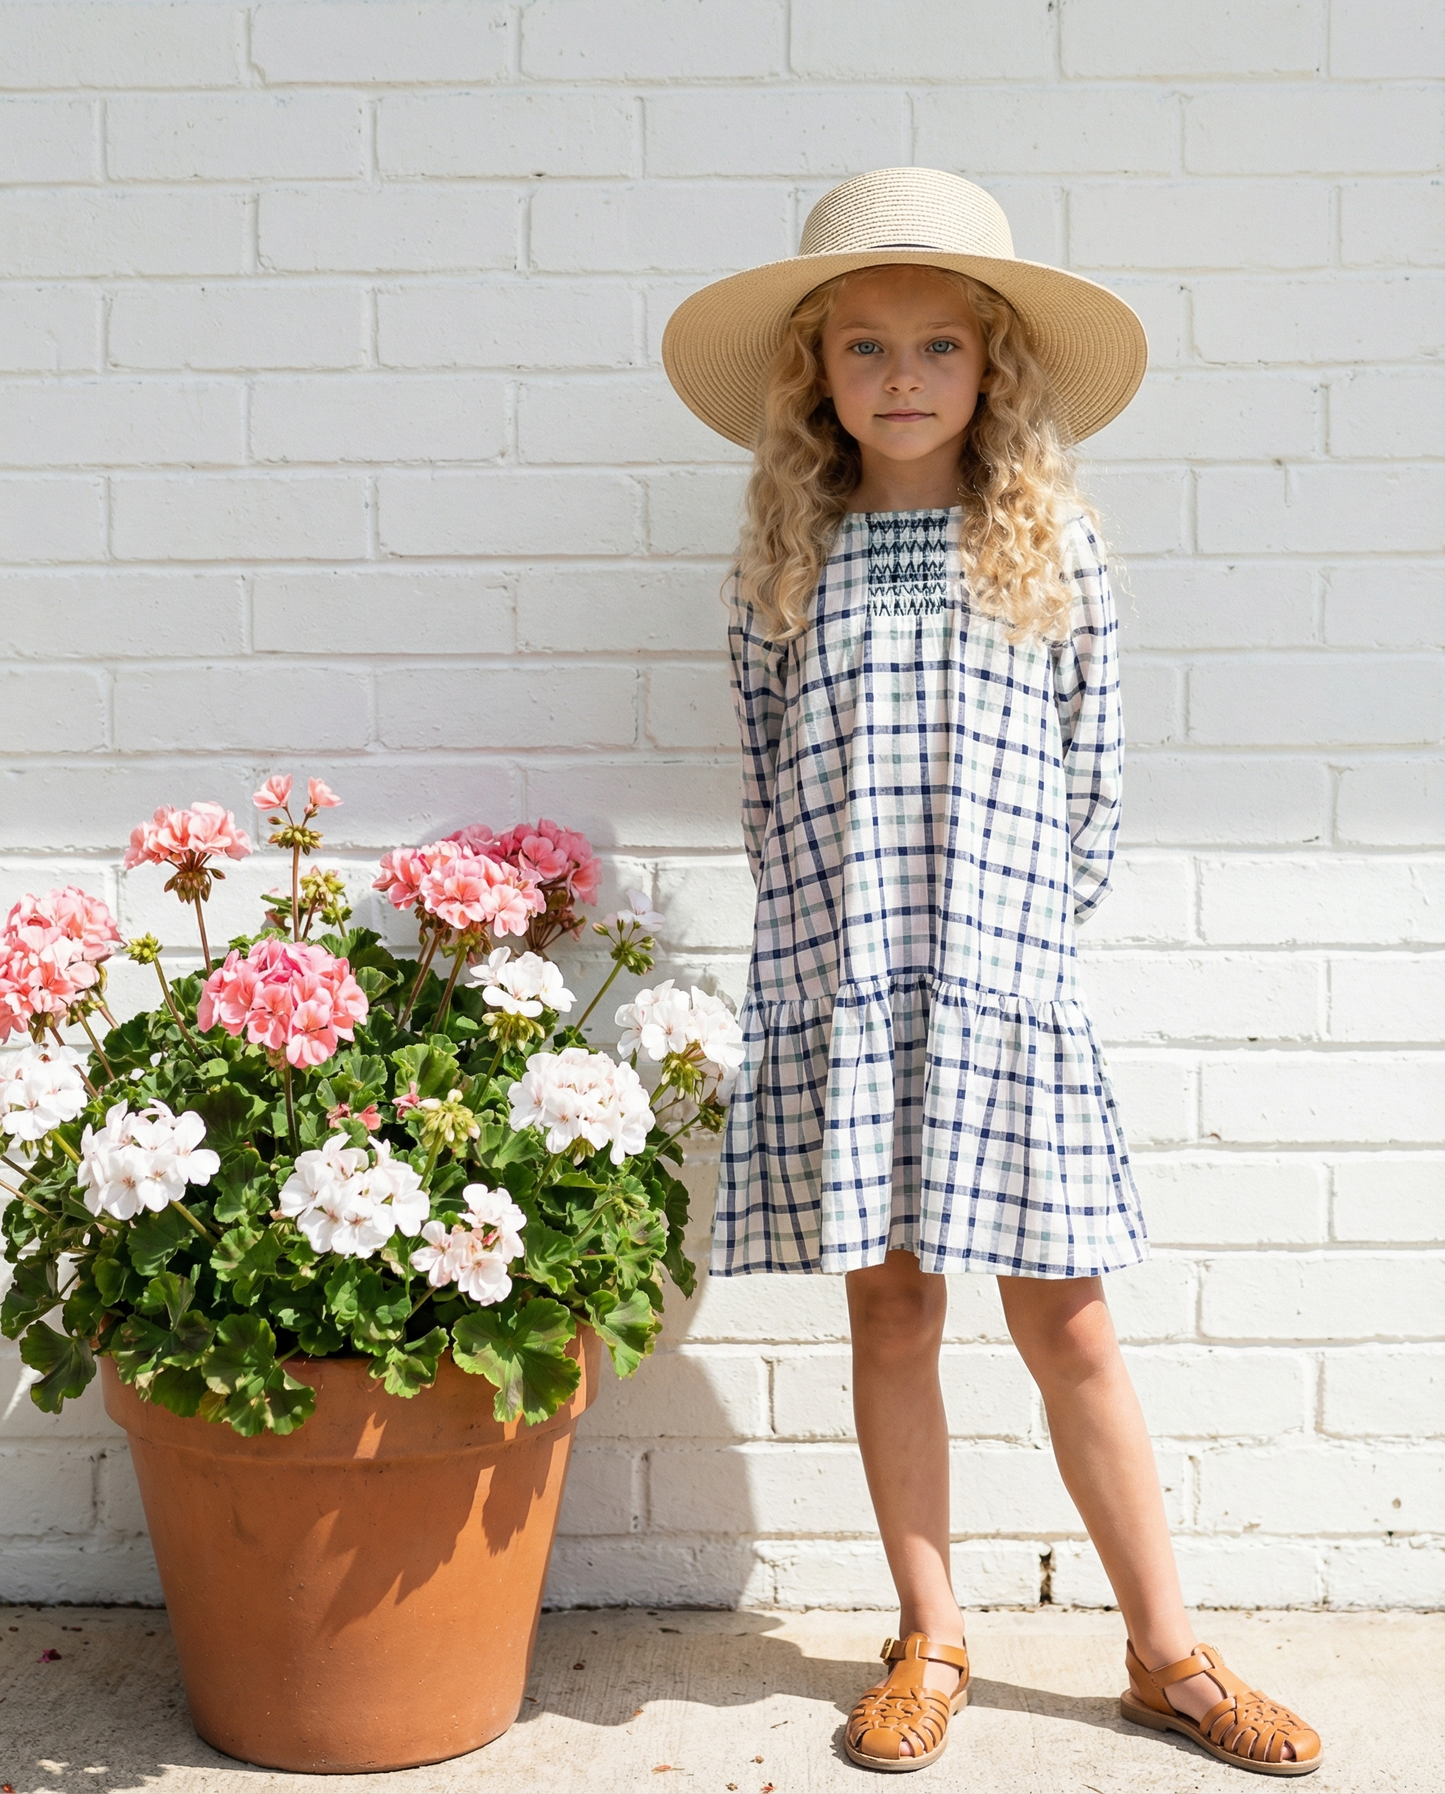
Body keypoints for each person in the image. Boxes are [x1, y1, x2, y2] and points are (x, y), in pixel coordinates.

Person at [662, 168, 1321, 1777]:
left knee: (1072, 1321)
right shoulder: (782, 568)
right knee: (891, 1308)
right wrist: (844, 950)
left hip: (1005, 987)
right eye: (867, 345)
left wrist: (1008, 945)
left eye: (939, 344)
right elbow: (767, 791)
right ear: (816, 369)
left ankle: (1167, 1650)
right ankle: (930, 1628)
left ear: (991, 366)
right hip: (850, 979)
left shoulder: (1051, 549)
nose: (903, 376)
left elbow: (1096, 782)